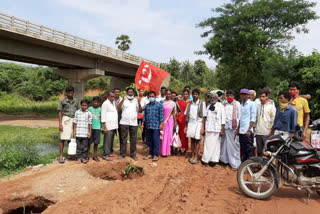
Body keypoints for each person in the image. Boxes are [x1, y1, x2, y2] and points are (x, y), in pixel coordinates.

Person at [57, 85, 80, 164]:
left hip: (73, 120)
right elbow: (60, 112)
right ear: (66, 93)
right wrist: (60, 124)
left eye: (72, 93)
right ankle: (61, 156)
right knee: (63, 138)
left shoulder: (76, 101)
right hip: (65, 120)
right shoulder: (62, 101)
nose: (70, 94)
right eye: (69, 93)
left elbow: (78, 112)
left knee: (71, 139)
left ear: (73, 93)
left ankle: (71, 155)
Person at [117, 87, 142, 161]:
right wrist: (123, 100)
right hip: (124, 122)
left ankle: (133, 154)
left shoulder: (136, 101)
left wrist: (139, 103)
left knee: (133, 139)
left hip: (134, 122)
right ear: (127, 93)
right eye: (129, 92)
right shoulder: (123, 100)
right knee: (123, 138)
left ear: (133, 93)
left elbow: (140, 110)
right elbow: (118, 108)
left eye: (132, 92)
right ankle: (122, 153)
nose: (130, 93)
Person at [202, 93, 225, 168]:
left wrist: (222, 129)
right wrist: (203, 128)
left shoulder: (220, 106)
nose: (212, 98)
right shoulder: (208, 106)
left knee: (216, 146)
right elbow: (205, 117)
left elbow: (223, 119)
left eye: (214, 97)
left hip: (217, 129)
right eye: (211, 97)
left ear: (217, 98)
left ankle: (214, 162)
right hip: (208, 129)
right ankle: (205, 161)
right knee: (207, 145)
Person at [220, 90, 241, 170]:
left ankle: (235, 163)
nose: (229, 97)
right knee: (224, 144)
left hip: (234, 127)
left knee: (234, 145)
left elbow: (239, 116)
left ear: (234, 96)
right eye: (228, 95)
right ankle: (224, 160)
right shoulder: (224, 104)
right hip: (225, 126)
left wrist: (238, 128)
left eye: (231, 95)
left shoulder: (237, 104)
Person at [185, 88, 206, 164]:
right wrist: (186, 126)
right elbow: (187, 116)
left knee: (197, 141)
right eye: (194, 94)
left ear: (199, 95)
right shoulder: (189, 104)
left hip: (199, 123)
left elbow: (204, 117)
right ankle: (192, 155)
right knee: (192, 141)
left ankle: (196, 156)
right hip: (191, 123)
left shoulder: (202, 104)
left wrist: (203, 128)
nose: (195, 95)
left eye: (196, 94)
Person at [141, 91, 164, 162]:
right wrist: (142, 124)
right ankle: (150, 153)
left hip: (156, 126)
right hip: (148, 125)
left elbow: (161, 115)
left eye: (152, 96)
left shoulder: (159, 105)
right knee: (149, 140)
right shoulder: (147, 106)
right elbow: (145, 116)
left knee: (156, 140)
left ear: (155, 97)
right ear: (148, 97)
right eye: (150, 97)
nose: (151, 98)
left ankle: (156, 155)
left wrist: (161, 124)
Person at [237, 89, 256, 162]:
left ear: (248, 95)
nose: (243, 96)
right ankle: (244, 165)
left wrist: (249, 130)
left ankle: (249, 164)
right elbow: (239, 118)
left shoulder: (252, 104)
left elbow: (253, 118)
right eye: (242, 94)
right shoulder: (240, 105)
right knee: (243, 148)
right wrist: (238, 129)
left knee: (249, 149)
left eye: (245, 94)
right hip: (241, 130)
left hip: (247, 130)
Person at [255, 88, 276, 157]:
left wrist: (271, 132)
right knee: (259, 151)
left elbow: (274, 120)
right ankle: (259, 165)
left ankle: (269, 167)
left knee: (268, 152)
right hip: (258, 132)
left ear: (267, 97)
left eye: (263, 96)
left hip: (267, 133)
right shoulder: (258, 106)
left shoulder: (271, 107)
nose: (261, 98)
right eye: (260, 96)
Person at [73, 99, 92, 164]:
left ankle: (83, 158)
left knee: (84, 147)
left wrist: (90, 132)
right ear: (81, 105)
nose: (84, 106)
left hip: (85, 133)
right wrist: (74, 131)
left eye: (85, 105)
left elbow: (90, 123)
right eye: (83, 105)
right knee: (78, 147)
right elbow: (75, 122)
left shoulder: (89, 113)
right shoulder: (77, 112)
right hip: (78, 132)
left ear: (87, 106)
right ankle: (78, 158)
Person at [101, 91, 118, 161]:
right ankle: (105, 154)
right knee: (107, 140)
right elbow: (103, 115)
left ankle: (110, 152)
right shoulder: (105, 104)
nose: (113, 98)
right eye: (111, 96)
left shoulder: (113, 103)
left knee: (111, 139)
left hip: (113, 125)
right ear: (108, 96)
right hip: (108, 125)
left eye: (113, 96)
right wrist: (104, 126)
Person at [161, 90, 177, 156]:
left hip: (170, 121)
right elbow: (160, 112)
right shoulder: (161, 102)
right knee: (163, 136)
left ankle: (167, 151)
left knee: (169, 136)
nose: (168, 95)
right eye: (167, 94)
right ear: (165, 94)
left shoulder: (173, 103)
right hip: (163, 120)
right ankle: (162, 151)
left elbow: (173, 113)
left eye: (169, 94)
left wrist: (175, 122)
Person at [88, 96, 102, 162]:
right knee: (89, 142)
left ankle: (95, 155)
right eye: (95, 102)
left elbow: (102, 118)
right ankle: (87, 155)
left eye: (97, 102)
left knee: (96, 143)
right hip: (90, 128)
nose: (96, 103)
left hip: (97, 127)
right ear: (93, 102)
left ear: (99, 103)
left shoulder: (101, 109)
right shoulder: (89, 109)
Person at [114, 88, 123, 152]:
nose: (117, 93)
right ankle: (111, 149)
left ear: (120, 93)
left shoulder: (123, 99)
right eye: (115, 92)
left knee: (121, 134)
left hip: (121, 118)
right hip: (113, 118)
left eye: (118, 92)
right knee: (112, 134)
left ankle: (121, 149)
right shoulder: (111, 99)